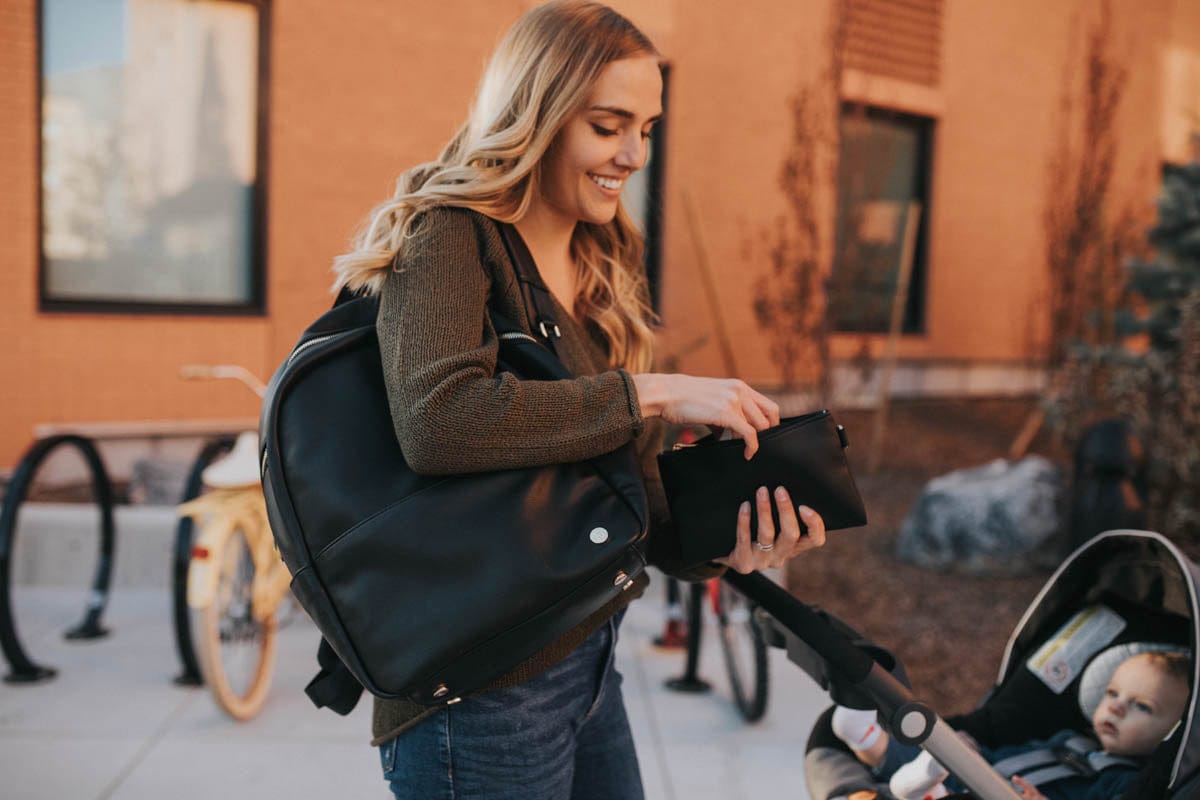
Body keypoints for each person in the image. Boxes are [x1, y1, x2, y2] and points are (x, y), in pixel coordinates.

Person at [330, 2, 829, 797]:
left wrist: (728, 540)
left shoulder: (603, 258)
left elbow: (629, 494)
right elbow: (440, 420)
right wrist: (653, 392)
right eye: (607, 125)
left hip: (589, 664)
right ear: (536, 113)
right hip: (478, 697)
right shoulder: (450, 232)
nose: (634, 154)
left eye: (647, 128)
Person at [831, 651, 1191, 800]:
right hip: (977, 773)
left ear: (1174, 732)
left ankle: (911, 785)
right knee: (942, 755)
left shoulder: (1122, 782)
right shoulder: (1068, 739)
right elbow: (1012, 753)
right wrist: (972, 749)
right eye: (1113, 693)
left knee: (939, 779)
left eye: (1142, 706)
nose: (1117, 707)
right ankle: (868, 739)